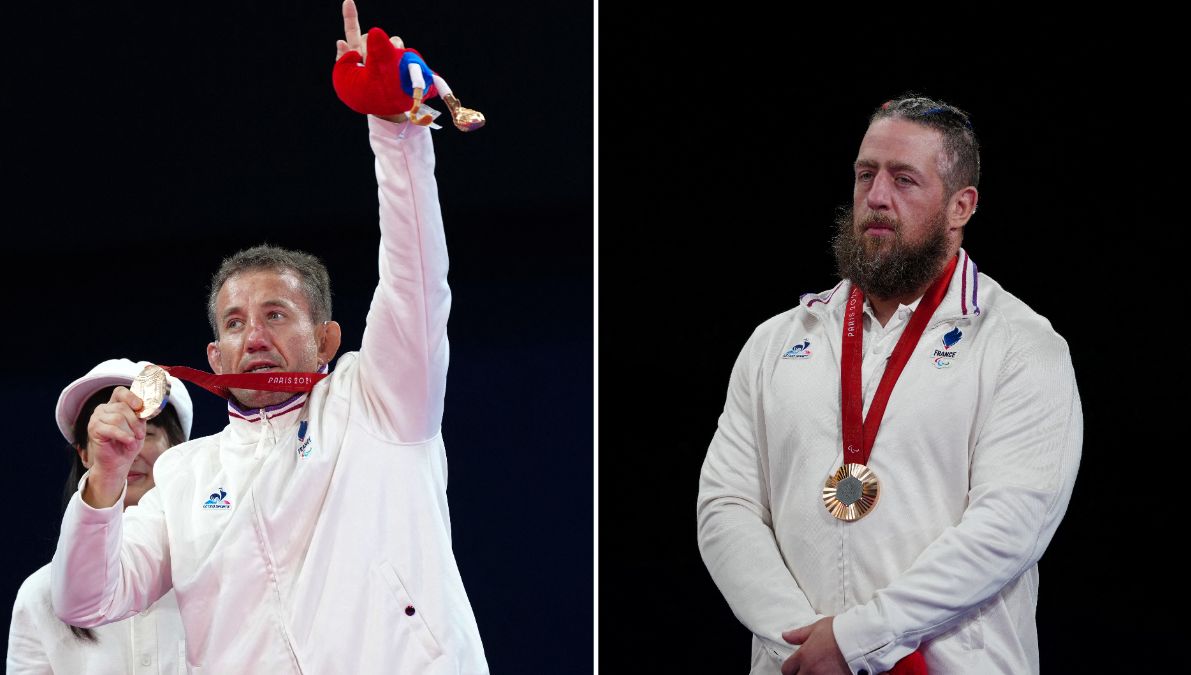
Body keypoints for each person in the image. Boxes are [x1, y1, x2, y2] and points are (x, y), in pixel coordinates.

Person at [48, 2, 489, 672]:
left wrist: (395, 130)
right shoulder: (183, 476)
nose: (253, 333)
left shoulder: (379, 402)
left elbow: (415, 279)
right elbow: (86, 600)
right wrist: (105, 479)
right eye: (234, 321)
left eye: (277, 313)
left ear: (327, 337)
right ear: (213, 356)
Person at [696, 95, 1082, 675]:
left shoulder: (1021, 346)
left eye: (904, 180)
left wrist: (858, 640)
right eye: (866, 174)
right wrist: (801, 644)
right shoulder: (775, 342)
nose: (876, 197)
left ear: (961, 206)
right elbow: (726, 506)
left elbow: (1007, 529)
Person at [8, 358, 192, 674]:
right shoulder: (40, 594)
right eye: (107, 435)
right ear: (84, 453)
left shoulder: (218, 572)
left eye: (146, 433)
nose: (128, 449)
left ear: (178, 447)